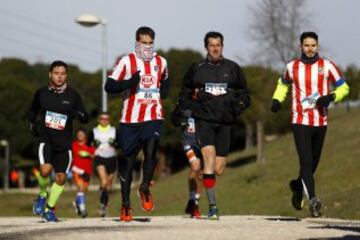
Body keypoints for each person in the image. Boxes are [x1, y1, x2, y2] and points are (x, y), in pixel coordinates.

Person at [270, 31, 350, 217]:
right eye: (306, 45)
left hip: (320, 120)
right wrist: (277, 99)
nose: (310, 48)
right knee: (305, 161)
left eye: (313, 45)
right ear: (300, 47)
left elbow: (344, 87)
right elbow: (282, 84)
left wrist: (331, 96)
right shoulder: (292, 67)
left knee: (312, 164)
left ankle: (298, 186)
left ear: (318, 46)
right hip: (300, 120)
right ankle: (313, 201)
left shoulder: (328, 66)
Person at [177, 31, 250, 219]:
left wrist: (237, 108)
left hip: (225, 122)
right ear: (206, 47)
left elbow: (244, 94)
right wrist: (190, 109)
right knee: (208, 157)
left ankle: (201, 188)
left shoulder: (233, 68)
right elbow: (184, 93)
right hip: (204, 120)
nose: (215, 48)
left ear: (222, 47)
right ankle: (213, 206)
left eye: (218, 45)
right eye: (212, 45)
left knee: (218, 169)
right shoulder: (197, 68)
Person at [105, 26, 170, 222]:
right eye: (144, 43)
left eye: (150, 43)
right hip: (130, 120)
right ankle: (126, 205)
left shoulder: (161, 61)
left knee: (151, 151)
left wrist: (163, 91)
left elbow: (165, 79)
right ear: (136, 42)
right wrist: (130, 82)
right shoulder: (126, 61)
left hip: (153, 115)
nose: (147, 47)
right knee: (128, 162)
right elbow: (109, 86)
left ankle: (144, 188)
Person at [28, 60, 89, 222]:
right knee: (46, 171)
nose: (60, 77)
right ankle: (42, 195)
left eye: (63, 74)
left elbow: (84, 115)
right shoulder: (41, 93)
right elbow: (33, 112)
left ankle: (49, 209)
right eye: (56, 73)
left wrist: (81, 115)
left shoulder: (73, 95)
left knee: (61, 177)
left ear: (66, 75)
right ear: (50, 74)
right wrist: (32, 123)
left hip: (65, 143)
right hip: (46, 139)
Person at [172, 107, 202, 218]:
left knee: (202, 175)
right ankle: (192, 200)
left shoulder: (206, 101)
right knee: (195, 166)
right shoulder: (185, 102)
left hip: (203, 142)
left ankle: (194, 203)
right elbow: (174, 118)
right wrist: (179, 119)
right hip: (188, 142)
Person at [88, 112, 118, 217]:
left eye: (106, 119)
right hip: (99, 157)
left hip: (111, 158)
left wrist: (115, 144)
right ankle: (102, 204)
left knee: (108, 186)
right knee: (104, 181)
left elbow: (119, 143)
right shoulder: (94, 131)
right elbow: (88, 144)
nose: (104, 121)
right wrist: (92, 148)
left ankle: (104, 203)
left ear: (109, 120)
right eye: (102, 119)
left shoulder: (114, 130)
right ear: (99, 120)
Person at [71, 128, 95, 218]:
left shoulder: (89, 145)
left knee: (84, 191)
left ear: (85, 135)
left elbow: (94, 155)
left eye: (82, 134)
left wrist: (87, 154)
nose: (80, 135)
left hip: (87, 171)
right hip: (76, 170)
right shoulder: (73, 145)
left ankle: (77, 202)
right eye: (78, 134)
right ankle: (83, 210)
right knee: (80, 188)